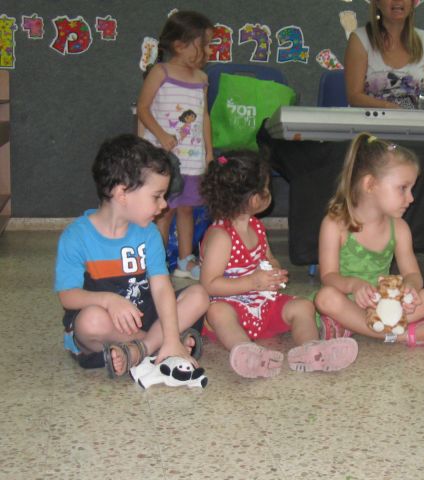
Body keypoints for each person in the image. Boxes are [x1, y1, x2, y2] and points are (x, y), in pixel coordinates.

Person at [55, 134, 210, 378]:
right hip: (107, 324)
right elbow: (68, 296)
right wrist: (108, 301)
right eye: (157, 196)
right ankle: (161, 343)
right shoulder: (76, 236)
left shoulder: (149, 234)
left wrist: (170, 336)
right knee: (90, 322)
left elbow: (161, 288)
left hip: (144, 317)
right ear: (122, 194)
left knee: (199, 295)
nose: (164, 205)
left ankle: (144, 348)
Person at [199, 151, 358, 378]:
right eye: (266, 187)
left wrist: (273, 270)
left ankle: (311, 349)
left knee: (303, 306)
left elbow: (269, 257)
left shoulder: (256, 226)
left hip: (262, 306)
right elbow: (209, 285)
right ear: (254, 198)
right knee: (217, 312)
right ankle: (246, 352)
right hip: (231, 308)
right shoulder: (221, 236)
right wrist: (252, 282)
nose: (269, 192)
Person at [314, 133, 424, 346]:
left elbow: (413, 274)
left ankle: (350, 327)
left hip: (386, 304)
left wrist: (409, 289)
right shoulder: (335, 224)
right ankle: (402, 335)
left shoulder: (399, 228)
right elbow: (328, 276)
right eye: (403, 188)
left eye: (411, 189)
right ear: (370, 184)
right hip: (347, 300)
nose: (411, 198)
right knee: (325, 298)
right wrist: (354, 285)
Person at [137, 10, 215, 280]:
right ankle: (157, 263)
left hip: (192, 158)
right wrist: (161, 136)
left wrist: (209, 152)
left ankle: (185, 261)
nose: (209, 51)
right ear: (180, 45)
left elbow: (204, 116)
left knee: (187, 208)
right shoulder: (160, 72)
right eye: (204, 44)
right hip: (164, 159)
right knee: (164, 211)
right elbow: (143, 108)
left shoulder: (202, 78)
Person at [344, 0, 424, 110]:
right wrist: (391, 109)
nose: (398, 1)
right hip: (370, 120)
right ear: (377, 3)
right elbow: (354, 96)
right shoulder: (360, 39)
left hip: (411, 121)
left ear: (412, 3)